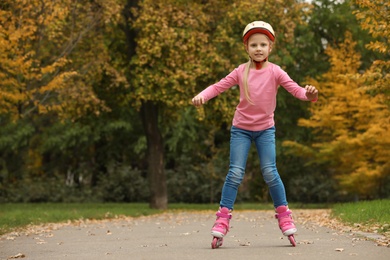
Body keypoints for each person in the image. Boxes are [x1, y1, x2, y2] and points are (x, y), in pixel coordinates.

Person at [191, 21, 318, 247]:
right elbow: (218, 86)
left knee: (270, 171)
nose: (258, 48)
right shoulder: (241, 71)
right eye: (253, 45)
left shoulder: (276, 71)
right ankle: (222, 220)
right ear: (246, 48)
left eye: (263, 44)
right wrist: (202, 95)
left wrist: (309, 94)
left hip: (265, 130)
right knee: (235, 173)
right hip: (241, 129)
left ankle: (284, 215)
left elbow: (297, 90)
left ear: (270, 47)